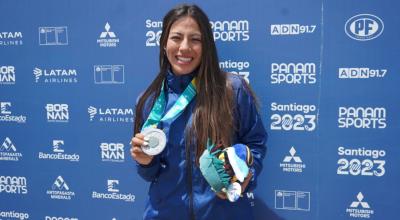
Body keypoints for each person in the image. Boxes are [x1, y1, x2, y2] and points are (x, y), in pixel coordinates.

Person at [130, 4, 267, 220]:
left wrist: (245, 174)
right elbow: (151, 173)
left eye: (195, 39)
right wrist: (145, 162)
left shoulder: (232, 89)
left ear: (207, 46)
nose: (184, 47)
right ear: (164, 43)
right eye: (176, 37)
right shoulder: (148, 101)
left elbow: (256, 144)